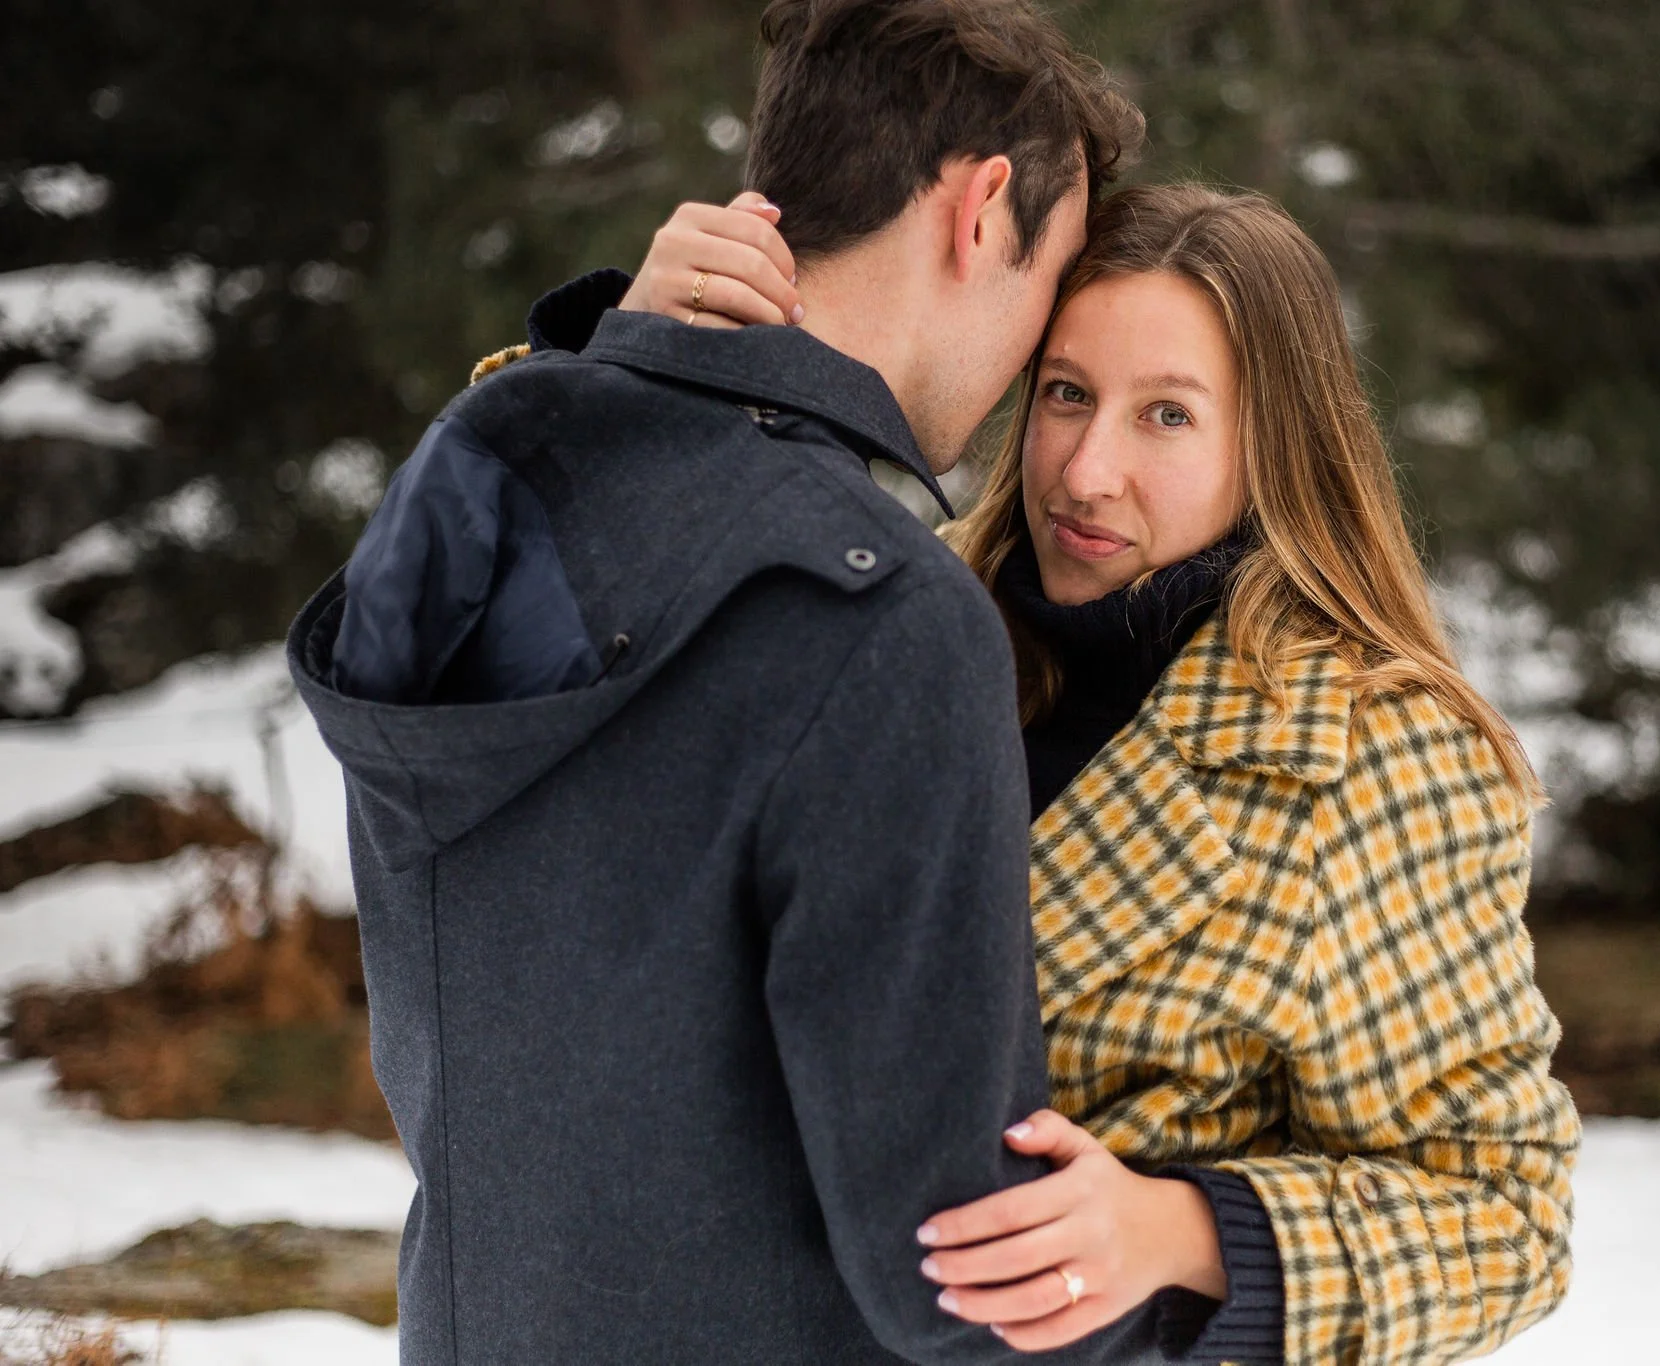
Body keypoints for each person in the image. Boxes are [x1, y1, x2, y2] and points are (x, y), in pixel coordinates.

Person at [285, 2, 1172, 1363]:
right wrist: (1223, 1264)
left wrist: (622, 358)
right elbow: (958, 1271)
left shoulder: (470, 513)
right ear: (985, 208)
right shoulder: (883, 615)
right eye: (1053, 274)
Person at [590, 181, 1581, 1365]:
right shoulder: (878, 612)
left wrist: (1181, 1229)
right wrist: (626, 377)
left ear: (1273, 441)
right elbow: (557, 726)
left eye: (1166, 416)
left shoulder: (1368, 755)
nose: (1084, 470)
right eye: (1066, 394)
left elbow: (1503, 1216)